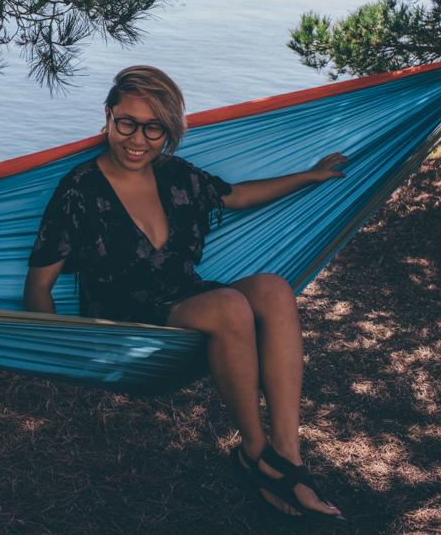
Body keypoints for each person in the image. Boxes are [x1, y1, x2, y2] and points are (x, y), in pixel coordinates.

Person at [23, 66, 348, 525]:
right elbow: (38, 286)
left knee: (274, 288)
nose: (138, 139)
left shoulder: (176, 176)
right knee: (230, 306)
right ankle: (256, 456)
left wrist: (308, 177)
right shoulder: (79, 190)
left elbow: (235, 196)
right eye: (126, 122)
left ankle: (286, 453)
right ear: (108, 116)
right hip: (124, 318)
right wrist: (60, 355)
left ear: (168, 131)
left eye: (153, 127)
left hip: (186, 298)